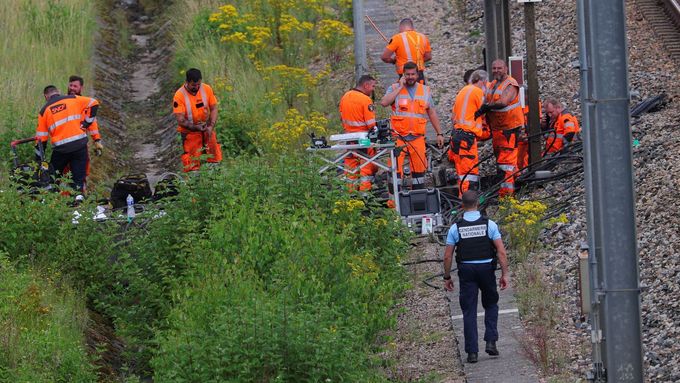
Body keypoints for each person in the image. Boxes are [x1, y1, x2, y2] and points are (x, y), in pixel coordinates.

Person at [443, 190, 509, 364]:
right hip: (487, 269)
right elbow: (501, 252)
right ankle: (491, 341)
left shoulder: (455, 228)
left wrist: (447, 276)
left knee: (469, 311)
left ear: (462, 206)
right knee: (491, 304)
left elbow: (448, 256)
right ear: (478, 204)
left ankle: (472, 352)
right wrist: (505, 274)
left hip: (467, 271)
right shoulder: (490, 225)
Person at [380, 62, 444, 190]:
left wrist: (439, 133)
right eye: (407, 74)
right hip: (398, 137)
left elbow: (431, 112)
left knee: (419, 173)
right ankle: (394, 205)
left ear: (417, 74)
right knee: (395, 172)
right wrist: (399, 87)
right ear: (403, 75)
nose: (410, 77)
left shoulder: (425, 90)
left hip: (417, 138)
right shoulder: (394, 88)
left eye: (412, 74)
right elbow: (384, 102)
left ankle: (417, 200)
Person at [35, 85, 100, 193]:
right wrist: (87, 123)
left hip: (61, 150)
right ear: (58, 92)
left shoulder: (44, 111)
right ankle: (78, 200)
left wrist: (38, 160)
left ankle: (51, 200)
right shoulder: (73, 98)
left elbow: (41, 140)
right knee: (78, 179)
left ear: (46, 96)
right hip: (80, 146)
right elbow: (94, 102)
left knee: (53, 178)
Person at [476, 59, 524, 197]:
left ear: (506, 69)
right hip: (498, 130)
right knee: (503, 162)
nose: (497, 70)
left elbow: (503, 102)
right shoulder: (493, 85)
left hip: (509, 129)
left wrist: (486, 107)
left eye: (499, 68)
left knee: (506, 163)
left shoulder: (511, 84)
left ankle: (506, 195)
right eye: (494, 68)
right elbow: (485, 99)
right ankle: (516, 184)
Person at [173, 68, 222, 172]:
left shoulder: (206, 88)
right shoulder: (179, 95)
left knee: (214, 157)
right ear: (187, 82)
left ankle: (215, 180)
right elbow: (180, 120)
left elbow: (214, 108)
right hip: (190, 134)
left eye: (198, 84)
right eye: (193, 85)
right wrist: (195, 127)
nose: (196, 87)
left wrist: (210, 126)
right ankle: (194, 184)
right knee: (192, 163)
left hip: (207, 130)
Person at [450, 70, 491, 195]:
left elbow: (454, 117)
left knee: (462, 175)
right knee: (469, 175)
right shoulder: (477, 92)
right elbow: (484, 111)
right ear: (483, 81)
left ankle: (463, 203)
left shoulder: (464, 91)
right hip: (466, 139)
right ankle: (467, 205)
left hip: (458, 136)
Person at [339, 75, 378, 191]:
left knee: (350, 166)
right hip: (364, 139)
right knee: (366, 165)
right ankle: (365, 194)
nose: (373, 89)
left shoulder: (345, 97)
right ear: (366, 85)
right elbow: (371, 124)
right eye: (373, 86)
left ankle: (350, 194)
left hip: (349, 138)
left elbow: (342, 118)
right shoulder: (365, 100)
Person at [66, 75, 104, 190]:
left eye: (75, 86)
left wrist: (97, 140)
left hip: (80, 144)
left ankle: (80, 195)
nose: (72, 88)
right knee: (65, 172)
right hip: (64, 144)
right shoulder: (63, 102)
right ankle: (65, 199)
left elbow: (92, 124)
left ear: (81, 88)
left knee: (82, 171)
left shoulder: (86, 104)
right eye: (71, 85)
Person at [381, 18, 432, 83]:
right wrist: (416, 61)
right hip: (419, 75)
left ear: (400, 27)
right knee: (420, 92)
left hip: (405, 76)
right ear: (412, 27)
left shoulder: (397, 38)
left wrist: (393, 61)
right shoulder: (423, 37)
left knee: (403, 93)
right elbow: (428, 57)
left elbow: (384, 57)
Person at [517, 96, 541, 171]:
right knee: (519, 159)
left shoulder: (535, 104)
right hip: (521, 138)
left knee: (527, 157)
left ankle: (525, 171)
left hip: (529, 136)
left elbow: (538, 120)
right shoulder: (518, 105)